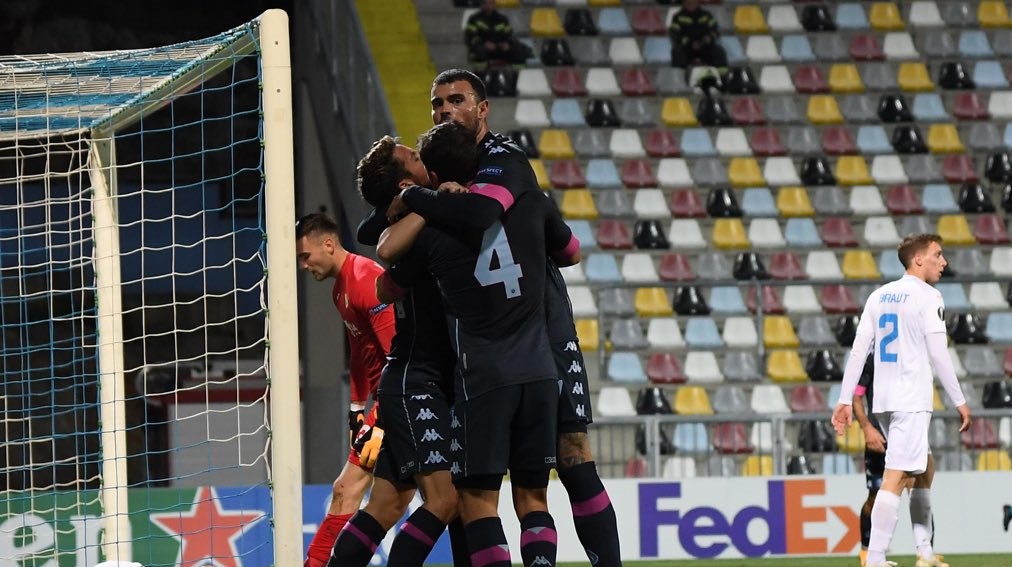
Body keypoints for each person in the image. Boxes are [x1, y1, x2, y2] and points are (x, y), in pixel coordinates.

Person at [376, 69, 621, 567]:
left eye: (456, 100)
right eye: (437, 103)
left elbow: (477, 218)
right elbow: (568, 247)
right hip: (491, 347)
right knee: (498, 488)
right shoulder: (452, 169)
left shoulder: (504, 159)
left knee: (571, 456)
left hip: (544, 330)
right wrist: (417, 198)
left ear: (483, 109)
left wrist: (415, 199)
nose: (445, 109)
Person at [326, 137, 462, 567]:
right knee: (444, 500)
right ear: (405, 181)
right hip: (416, 380)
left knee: (386, 506)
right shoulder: (414, 232)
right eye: (416, 158)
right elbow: (378, 243)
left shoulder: (408, 220)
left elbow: (372, 230)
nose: (424, 159)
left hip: (407, 380)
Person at [832, 233, 972, 567]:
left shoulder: (878, 296)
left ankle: (924, 552)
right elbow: (939, 354)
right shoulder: (928, 295)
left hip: (885, 401)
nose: (944, 262)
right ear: (918, 259)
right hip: (911, 398)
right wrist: (960, 399)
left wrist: (841, 399)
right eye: (938, 255)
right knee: (896, 476)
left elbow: (858, 351)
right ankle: (876, 558)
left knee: (924, 469)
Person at [296, 213, 396, 567]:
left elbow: (396, 355)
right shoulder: (341, 290)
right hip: (389, 403)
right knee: (434, 500)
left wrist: (381, 418)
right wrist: (356, 406)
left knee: (347, 490)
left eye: (305, 257)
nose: (304, 266)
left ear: (328, 244)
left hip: (399, 403)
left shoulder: (367, 279)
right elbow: (360, 353)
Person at [853, 354, 933, 567]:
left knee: (917, 490)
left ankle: (925, 553)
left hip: (905, 433)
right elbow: (857, 396)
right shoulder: (872, 359)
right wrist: (867, 429)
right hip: (878, 438)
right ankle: (866, 550)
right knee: (874, 496)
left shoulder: (910, 352)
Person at [464, 0, 532, 68]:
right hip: (484, 49)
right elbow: (470, 37)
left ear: (494, 5)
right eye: (485, 3)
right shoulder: (474, 19)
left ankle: (515, 76)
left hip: (500, 49)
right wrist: (484, 43)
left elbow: (510, 35)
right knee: (479, 50)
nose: (488, 6)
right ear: (481, 5)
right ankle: (480, 75)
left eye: (490, 3)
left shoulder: (502, 19)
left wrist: (507, 43)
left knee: (518, 49)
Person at [668, 0, 728, 74]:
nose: (691, 4)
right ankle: (680, 79)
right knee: (677, 52)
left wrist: (710, 37)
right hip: (686, 49)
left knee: (719, 52)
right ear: (684, 2)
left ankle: (722, 79)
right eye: (688, 2)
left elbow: (715, 31)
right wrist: (690, 43)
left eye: (693, 2)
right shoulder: (678, 17)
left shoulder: (706, 15)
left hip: (705, 47)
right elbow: (675, 35)